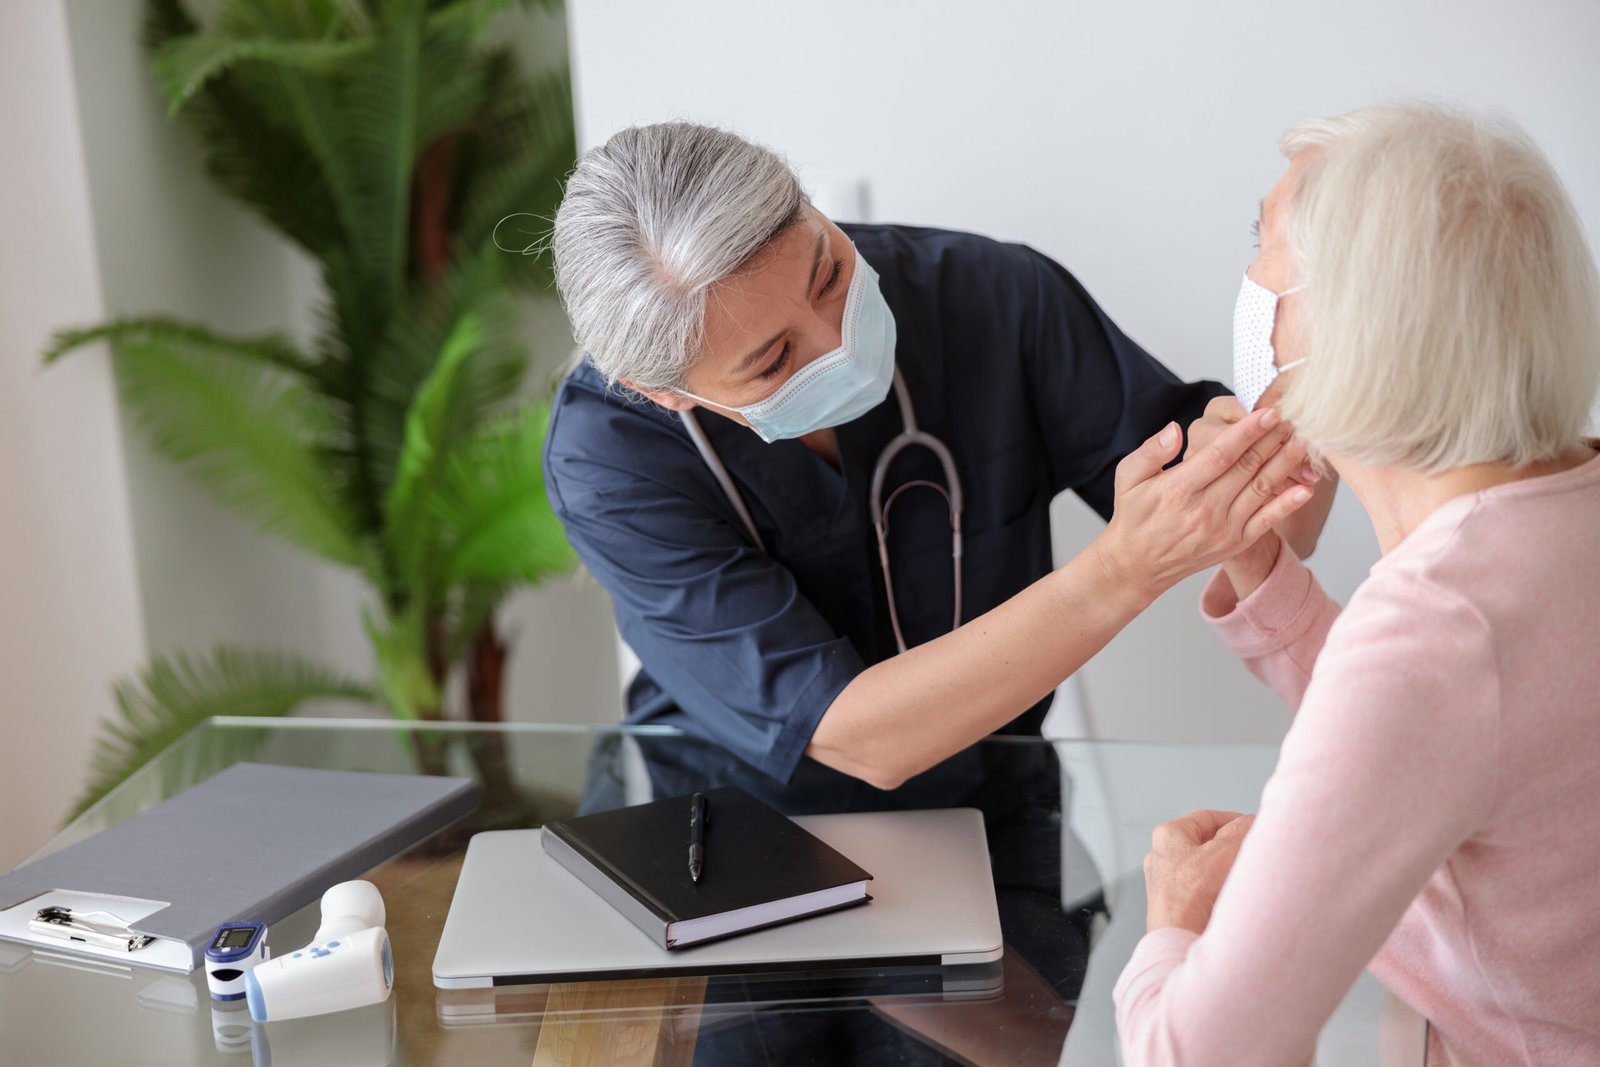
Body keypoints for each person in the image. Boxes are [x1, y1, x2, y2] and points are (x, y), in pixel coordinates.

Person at [1117, 103, 1600, 1067]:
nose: (1249, 285)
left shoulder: (1435, 626)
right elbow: (1460, 724)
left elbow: (1199, 1055)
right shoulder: (1554, 518)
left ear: (1353, 327)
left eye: (1264, 251)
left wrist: (1170, 922)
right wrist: (1259, 570)